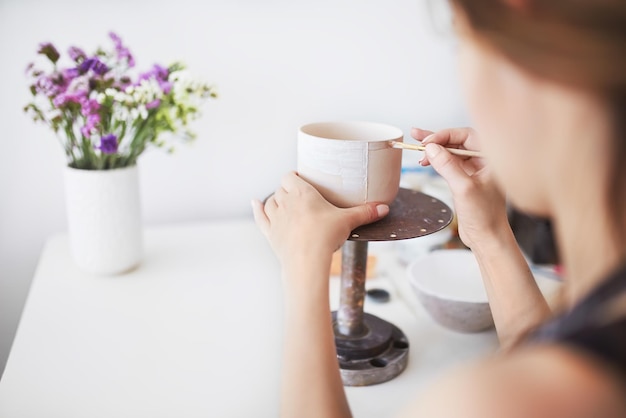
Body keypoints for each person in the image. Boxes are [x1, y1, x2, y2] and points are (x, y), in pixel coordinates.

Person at [251, 0, 626, 416]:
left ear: (531, 63)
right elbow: (547, 351)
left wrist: (303, 266)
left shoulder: (491, 401)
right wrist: (488, 234)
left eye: (461, 46)